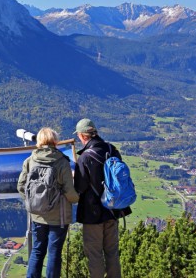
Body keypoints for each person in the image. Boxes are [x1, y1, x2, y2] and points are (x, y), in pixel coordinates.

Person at [73, 118, 132, 278]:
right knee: (112, 252)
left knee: (95, 254)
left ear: (82, 136)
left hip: (93, 214)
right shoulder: (111, 150)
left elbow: (80, 187)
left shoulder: (85, 157)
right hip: (113, 209)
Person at [17, 127, 79, 278]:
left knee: (37, 251)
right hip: (59, 217)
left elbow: (21, 186)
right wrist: (78, 199)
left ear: (39, 141)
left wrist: (34, 202)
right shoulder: (62, 161)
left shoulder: (30, 160)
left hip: (37, 215)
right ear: (54, 141)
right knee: (54, 253)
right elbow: (70, 193)